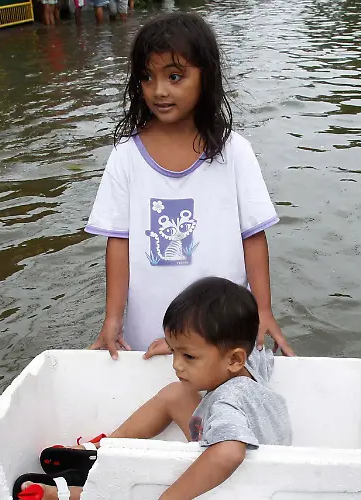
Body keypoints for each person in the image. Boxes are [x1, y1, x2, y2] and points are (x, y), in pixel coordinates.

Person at [14, 277, 292, 500]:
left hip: (235, 483)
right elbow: (259, 350)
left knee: (155, 483)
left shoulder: (226, 405)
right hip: (255, 459)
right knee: (177, 393)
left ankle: (71, 499)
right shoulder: (250, 365)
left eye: (188, 357)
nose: (176, 364)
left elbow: (229, 454)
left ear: (233, 359)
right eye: (174, 352)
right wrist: (182, 346)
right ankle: (106, 447)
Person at [84, 13, 294, 359]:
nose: (158, 90)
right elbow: (118, 243)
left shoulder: (233, 152)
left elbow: (253, 236)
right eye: (147, 78)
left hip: (220, 329)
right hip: (147, 326)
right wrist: (112, 318)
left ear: (205, 77)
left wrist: (264, 311)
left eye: (175, 76)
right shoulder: (126, 156)